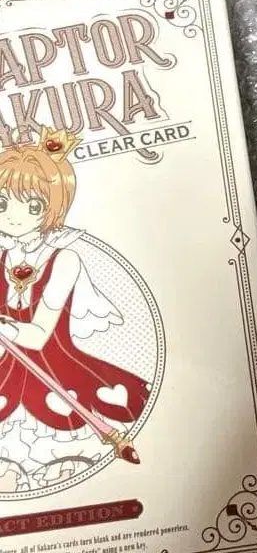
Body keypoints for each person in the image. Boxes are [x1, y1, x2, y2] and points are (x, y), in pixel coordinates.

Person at [0, 127, 149, 493]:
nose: (13, 217)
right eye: (2, 204)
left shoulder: (64, 259)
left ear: (51, 207)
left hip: (55, 369)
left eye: (32, 206)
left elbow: (38, 336)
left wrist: (6, 327)